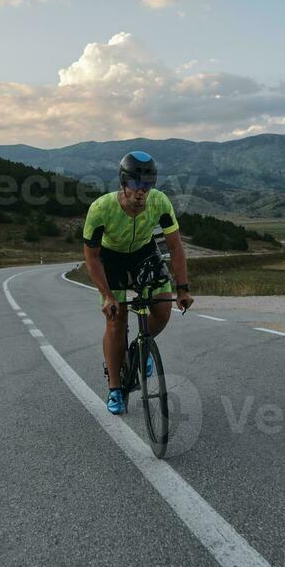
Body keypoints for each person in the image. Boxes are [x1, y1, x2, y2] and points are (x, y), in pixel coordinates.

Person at [81, 151, 194, 415]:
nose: (141, 191)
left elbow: (176, 247)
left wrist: (183, 289)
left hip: (144, 253)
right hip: (111, 259)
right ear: (123, 183)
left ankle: (139, 349)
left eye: (147, 185)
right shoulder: (100, 209)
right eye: (134, 184)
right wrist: (107, 295)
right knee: (116, 320)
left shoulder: (160, 203)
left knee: (164, 309)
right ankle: (115, 388)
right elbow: (92, 258)